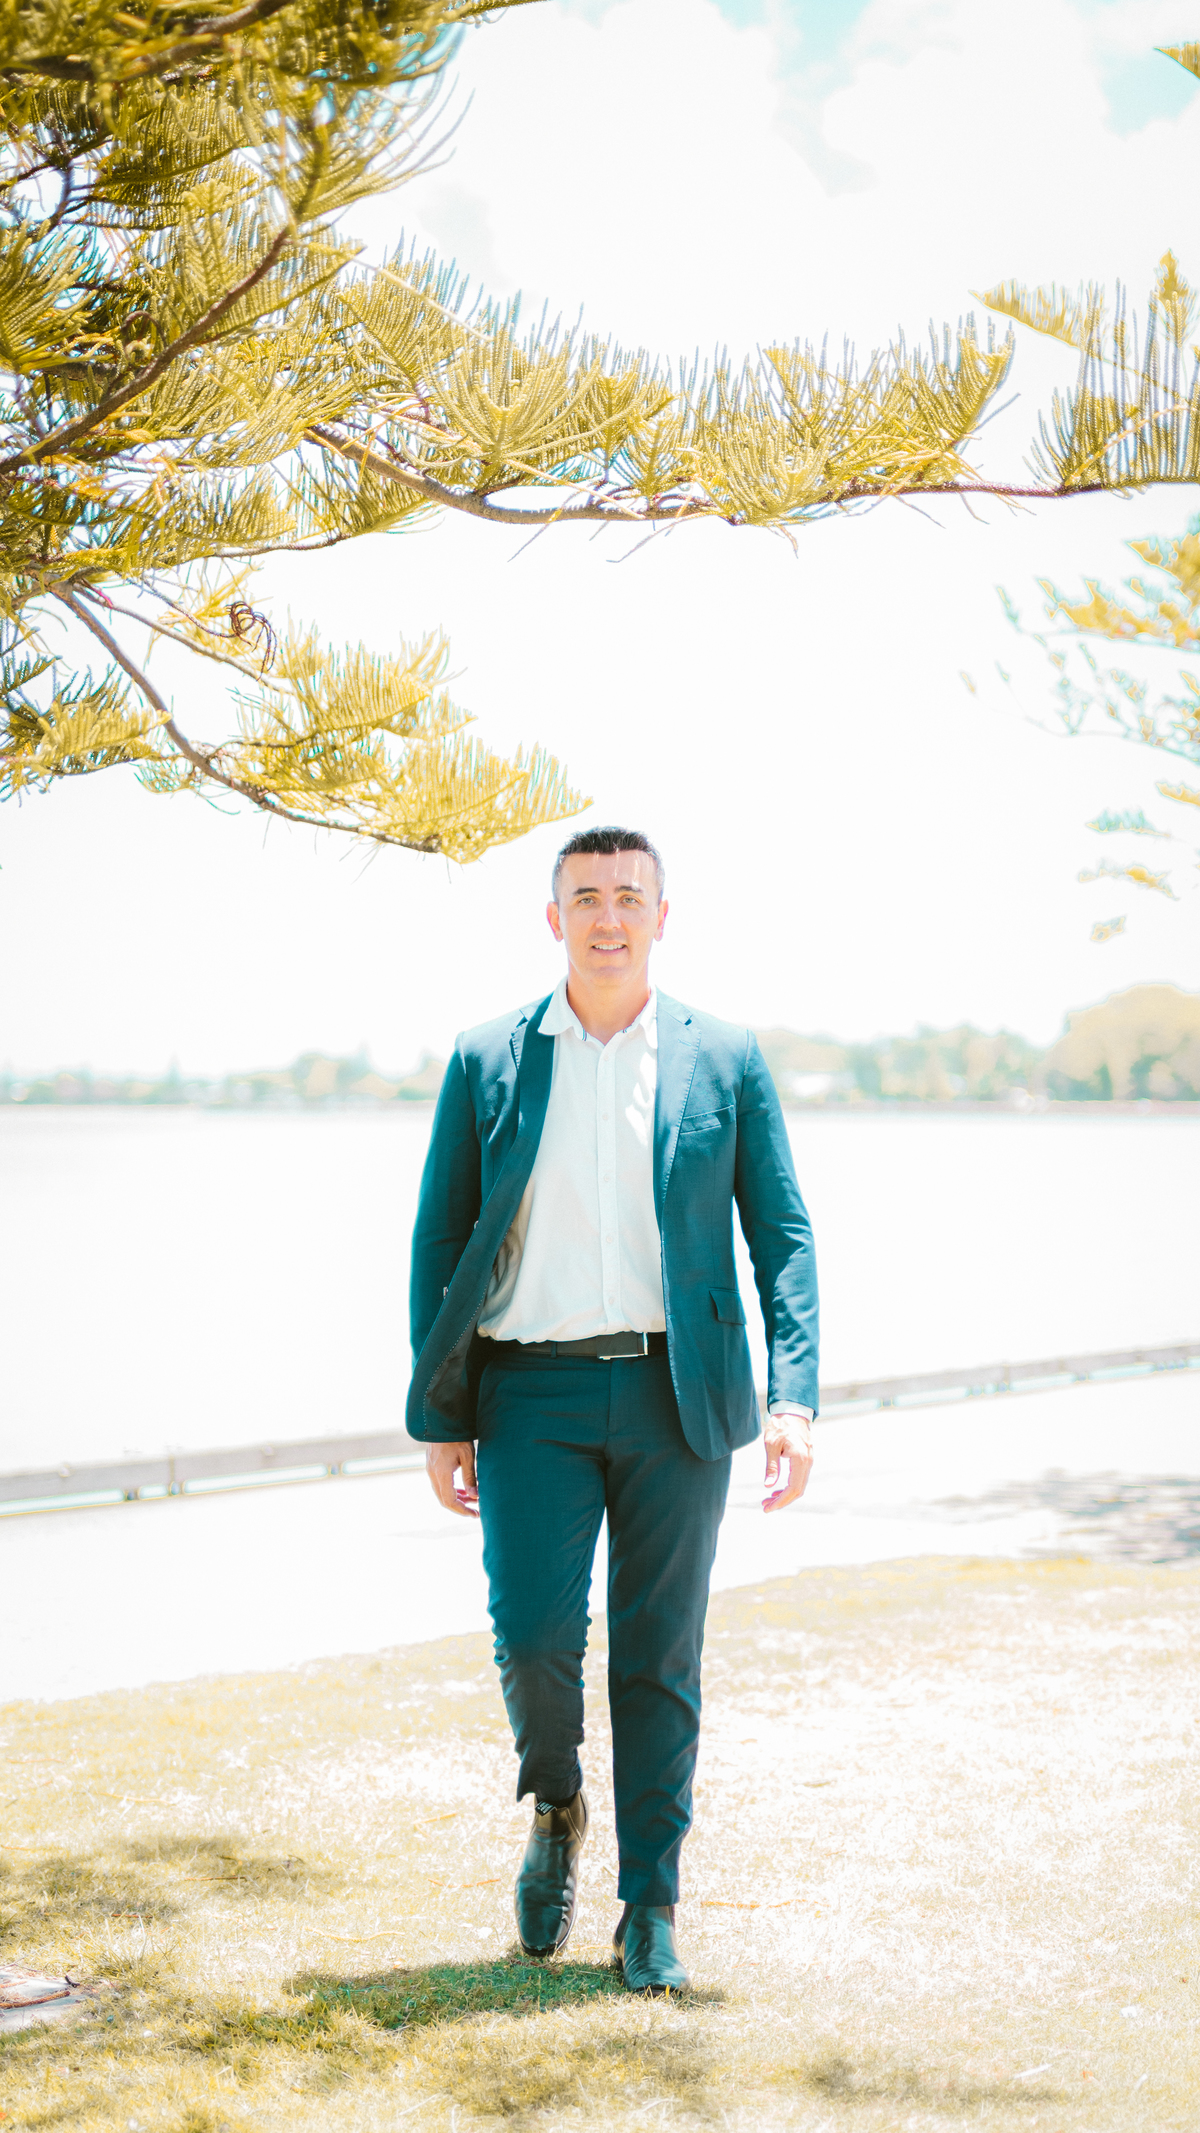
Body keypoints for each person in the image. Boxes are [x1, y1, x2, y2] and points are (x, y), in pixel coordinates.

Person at [408, 826, 818, 1994]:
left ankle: (651, 1908)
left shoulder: (723, 1056)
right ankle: (555, 1805)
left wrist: (794, 1399)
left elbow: (782, 1235)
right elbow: (440, 1238)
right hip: (525, 1393)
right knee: (535, 1638)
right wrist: (441, 1414)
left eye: (629, 897)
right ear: (554, 919)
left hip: (676, 1396)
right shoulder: (487, 1057)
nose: (608, 917)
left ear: (661, 917)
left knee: (659, 1653)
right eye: (585, 897)